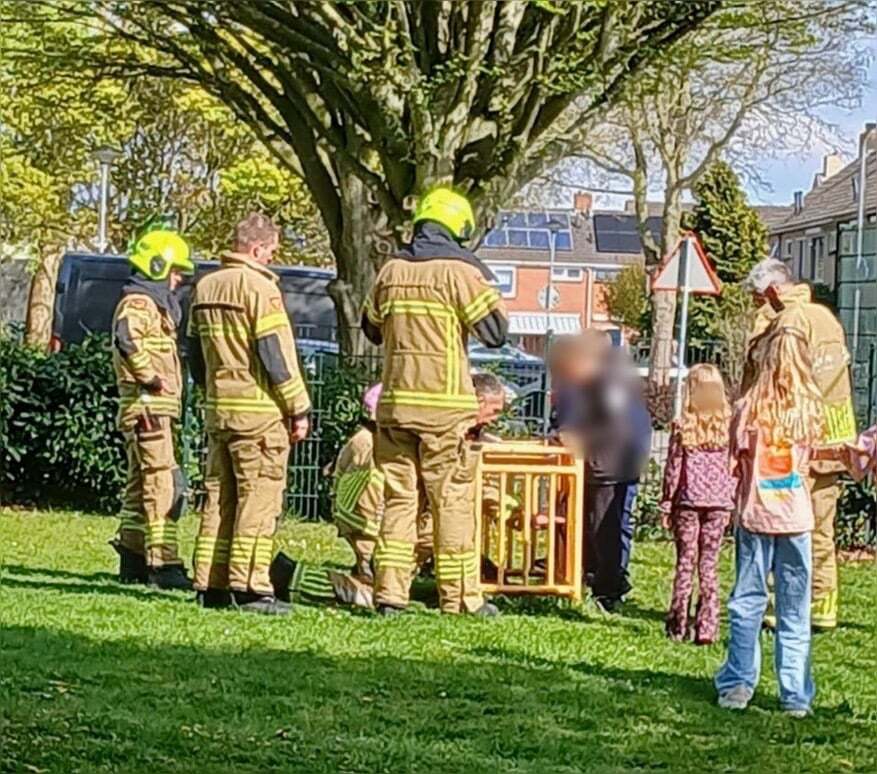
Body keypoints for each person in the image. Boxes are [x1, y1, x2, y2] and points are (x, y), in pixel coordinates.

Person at [362, 191, 509, 617]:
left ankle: (389, 595)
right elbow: (495, 331)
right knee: (452, 501)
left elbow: (371, 329)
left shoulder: (390, 271)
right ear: (458, 228)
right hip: (444, 410)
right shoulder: (459, 273)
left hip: (394, 407)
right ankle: (460, 598)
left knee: (399, 499)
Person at [269, 372, 508, 610]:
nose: (494, 420)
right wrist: (374, 548)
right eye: (494, 411)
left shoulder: (393, 440)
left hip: (387, 531)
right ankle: (291, 577)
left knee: (398, 587)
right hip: (375, 531)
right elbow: (367, 502)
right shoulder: (369, 445)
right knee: (370, 594)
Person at [187, 213, 311, 615]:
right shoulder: (259, 288)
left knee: (220, 499)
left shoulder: (205, 286)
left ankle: (211, 583)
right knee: (259, 500)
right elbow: (273, 354)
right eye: (272, 252)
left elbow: (193, 353)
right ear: (257, 249)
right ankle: (251, 586)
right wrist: (298, 408)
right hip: (259, 414)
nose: (273, 260)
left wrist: (212, 394)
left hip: (220, 412)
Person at [715, 315, 823, 716]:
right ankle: (795, 694)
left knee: (747, 603)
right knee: (795, 609)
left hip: (756, 516)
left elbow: (733, 463)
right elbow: (814, 462)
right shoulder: (811, 410)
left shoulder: (747, 409)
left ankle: (738, 685)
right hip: (796, 519)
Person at [743, 258, 855, 630]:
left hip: (795, 438)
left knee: (786, 525)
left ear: (773, 291)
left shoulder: (787, 323)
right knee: (823, 528)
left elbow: (775, 380)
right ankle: (824, 607)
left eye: (760, 298)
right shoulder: (826, 317)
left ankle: (785, 606)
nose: (760, 306)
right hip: (835, 437)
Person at [109, 228, 194, 590]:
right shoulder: (140, 304)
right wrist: (152, 378)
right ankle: (164, 564)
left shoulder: (147, 304)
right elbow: (126, 340)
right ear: (158, 266)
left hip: (147, 410)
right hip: (149, 408)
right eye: (176, 271)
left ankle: (133, 558)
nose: (178, 280)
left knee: (139, 485)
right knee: (163, 482)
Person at [552, 332, 651, 612]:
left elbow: (617, 427)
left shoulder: (609, 386)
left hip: (610, 468)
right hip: (597, 466)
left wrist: (580, 439)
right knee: (591, 529)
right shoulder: (591, 386)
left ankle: (609, 590)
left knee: (605, 531)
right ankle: (594, 580)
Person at [660, 364, 736, 645]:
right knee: (709, 564)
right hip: (719, 503)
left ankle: (677, 623)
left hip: (687, 502)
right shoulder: (729, 428)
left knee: (685, 562)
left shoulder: (683, 427)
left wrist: (666, 503)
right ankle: (708, 626)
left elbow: (673, 469)